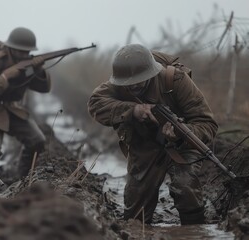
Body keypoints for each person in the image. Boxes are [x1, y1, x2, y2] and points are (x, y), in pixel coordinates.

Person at [87, 44, 218, 225]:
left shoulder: (175, 80)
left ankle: (194, 230)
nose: (133, 86)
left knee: (185, 185)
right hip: (144, 145)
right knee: (135, 215)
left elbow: (207, 123)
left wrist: (180, 134)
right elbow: (95, 103)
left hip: (183, 144)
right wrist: (133, 110)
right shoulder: (120, 82)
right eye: (128, 83)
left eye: (139, 80)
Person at [0, 27, 51, 182]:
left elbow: (44, 89)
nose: (24, 55)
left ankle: (23, 180)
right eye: (21, 51)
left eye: (27, 52)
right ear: (11, 48)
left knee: (37, 140)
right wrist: (5, 77)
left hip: (10, 108)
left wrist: (38, 70)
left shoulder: (27, 64)